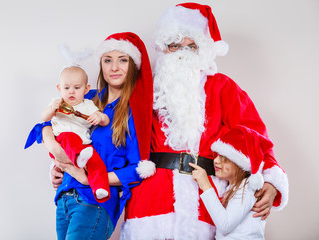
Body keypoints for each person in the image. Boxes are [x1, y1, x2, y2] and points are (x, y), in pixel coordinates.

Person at [121, 3, 289, 240]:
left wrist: (272, 181)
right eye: (174, 45)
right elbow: (110, 137)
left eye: (191, 46)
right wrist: (69, 168)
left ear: (203, 51)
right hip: (150, 205)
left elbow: (255, 138)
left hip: (206, 204)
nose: (182, 52)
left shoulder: (222, 87)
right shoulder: (145, 89)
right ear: (163, 48)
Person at [46, 32, 153, 240]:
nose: (114, 67)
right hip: (65, 198)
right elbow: (47, 124)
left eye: (122, 60)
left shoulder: (134, 114)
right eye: (108, 60)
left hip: (94, 203)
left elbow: (138, 169)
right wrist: (55, 159)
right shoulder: (85, 97)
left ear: (133, 66)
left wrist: (90, 180)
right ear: (101, 65)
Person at [39, 65, 111, 202]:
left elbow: (104, 119)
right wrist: (52, 110)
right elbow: (44, 117)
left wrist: (100, 118)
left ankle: (100, 189)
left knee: (96, 162)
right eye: (66, 88)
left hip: (84, 146)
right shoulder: (58, 103)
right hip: (62, 141)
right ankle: (78, 158)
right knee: (70, 137)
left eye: (77, 88)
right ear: (59, 88)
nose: (71, 92)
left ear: (86, 89)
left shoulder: (88, 104)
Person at [190, 125, 274, 239]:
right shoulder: (234, 187)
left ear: (240, 163)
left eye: (224, 158)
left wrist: (205, 185)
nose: (216, 161)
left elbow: (225, 225)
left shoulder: (247, 187)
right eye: (218, 155)